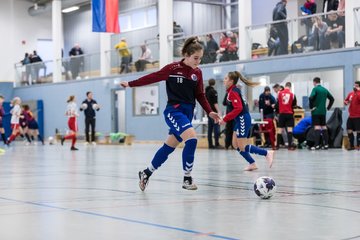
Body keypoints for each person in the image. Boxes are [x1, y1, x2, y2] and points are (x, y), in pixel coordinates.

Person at [120, 37, 221, 191]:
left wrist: (210, 111)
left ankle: (146, 173)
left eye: (200, 58)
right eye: (195, 58)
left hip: (187, 114)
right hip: (174, 111)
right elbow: (152, 77)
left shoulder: (197, 73)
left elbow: (200, 95)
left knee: (169, 147)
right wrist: (130, 84)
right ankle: (187, 178)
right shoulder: (172, 69)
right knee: (192, 139)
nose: (198, 61)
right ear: (187, 55)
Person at [219, 71, 274, 171]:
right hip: (240, 119)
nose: (224, 80)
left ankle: (266, 153)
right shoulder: (233, 91)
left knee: (242, 146)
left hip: (242, 119)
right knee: (235, 144)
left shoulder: (234, 92)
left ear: (231, 81)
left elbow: (238, 108)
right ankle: (252, 163)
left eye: (226, 78)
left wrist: (225, 119)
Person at [309, 77, 334, 150]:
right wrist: (328, 108)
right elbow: (332, 99)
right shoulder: (325, 90)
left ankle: (316, 145)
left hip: (316, 111)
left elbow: (311, 98)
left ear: (314, 82)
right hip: (323, 111)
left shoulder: (315, 89)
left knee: (317, 127)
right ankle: (326, 144)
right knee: (323, 127)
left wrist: (311, 107)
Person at [275, 82, 297, 150]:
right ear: (290, 87)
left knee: (279, 130)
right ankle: (289, 146)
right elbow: (294, 104)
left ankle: (277, 146)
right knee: (289, 130)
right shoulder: (292, 94)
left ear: (285, 86)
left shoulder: (279, 93)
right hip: (289, 114)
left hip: (282, 114)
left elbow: (277, 103)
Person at [205, 79, 221, 149]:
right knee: (216, 128)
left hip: (208, 112)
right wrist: (219, 111)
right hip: (213, 112)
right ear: (214, 83)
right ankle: (217, 144)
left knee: (210, 129)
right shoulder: (213, 91)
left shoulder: (206, 91)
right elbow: (215, 103)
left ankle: (210, 145)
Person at [344, 81, 360, 150]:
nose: (355, 87)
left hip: (358, 116)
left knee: (358, 131)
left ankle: (358, 145)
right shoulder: (351, 93)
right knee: (349, 130)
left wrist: (358, 92)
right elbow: (345, 102)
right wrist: (346, 102)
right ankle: (352, 145)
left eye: (356, 86)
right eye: (354, 85)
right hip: (351, 116)